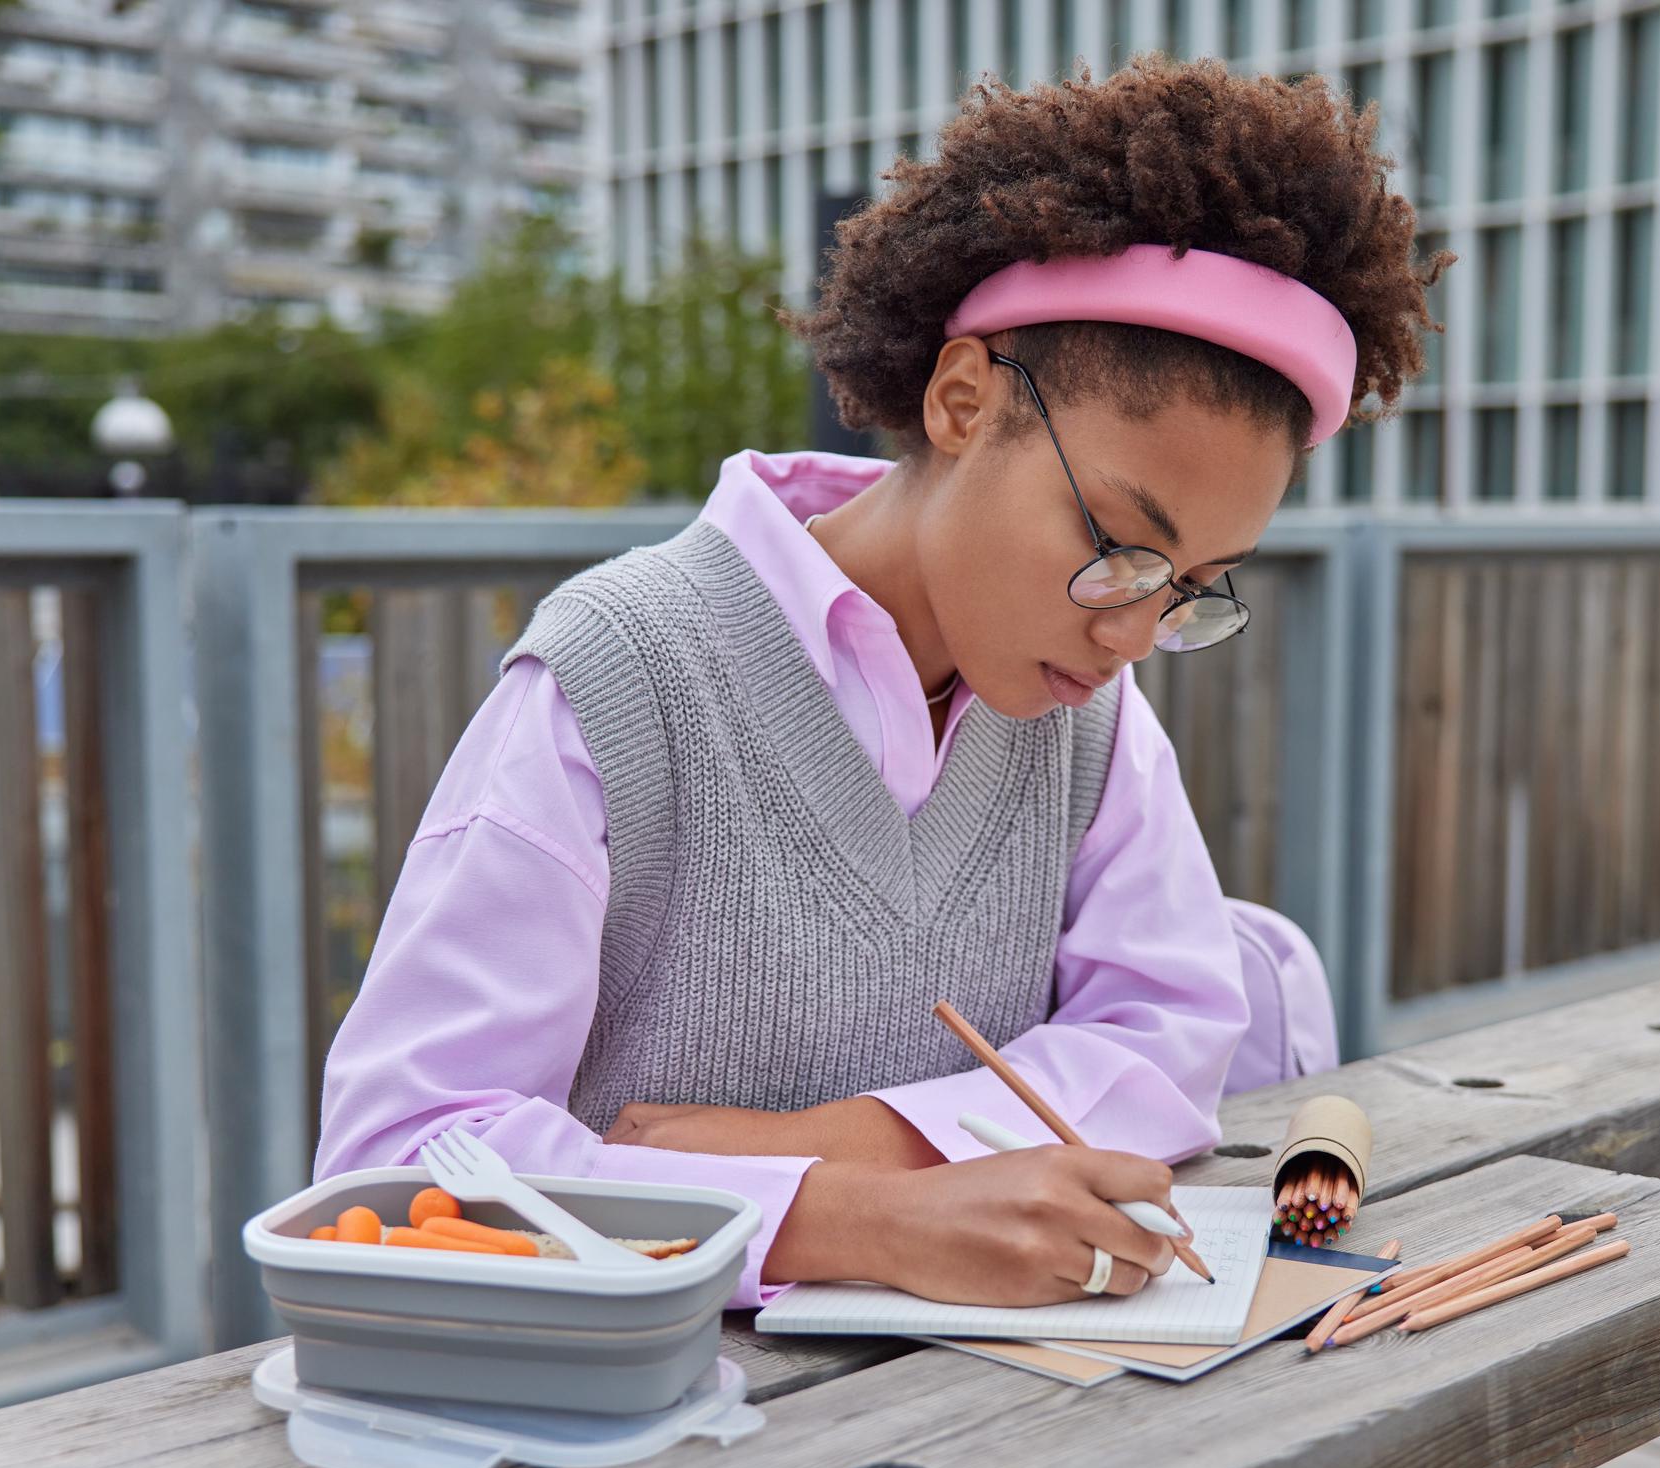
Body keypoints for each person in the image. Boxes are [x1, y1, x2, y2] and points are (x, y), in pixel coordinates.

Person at [315, 53, 1445, 1311]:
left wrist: (845, 1147)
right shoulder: (617, 676)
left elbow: (1173, 1035)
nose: (1136, 632)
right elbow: (396, 1156)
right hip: (646, 1447)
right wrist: (845, 1218)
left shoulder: (1085, 709)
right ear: (964, 401)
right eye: (1120, 547)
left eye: (1191, 583)